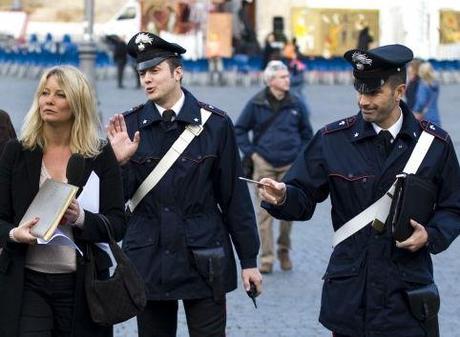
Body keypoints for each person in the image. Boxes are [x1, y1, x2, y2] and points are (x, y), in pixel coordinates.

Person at [258, 44, 460, 337]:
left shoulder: (434, 145)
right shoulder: (332, 139)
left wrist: (431, 234)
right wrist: (283, 196)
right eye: (360, 91)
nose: (362, 101)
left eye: (373, 93)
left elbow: (454, 206)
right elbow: (301, 196)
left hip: (407, 297)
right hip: (352, 297)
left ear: (399, 91)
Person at [106, 32, 262, 337]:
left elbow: (234, 198)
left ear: (178, 72)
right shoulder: (129, 126)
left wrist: (249, 260)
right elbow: (115, 200)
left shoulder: (215, 124)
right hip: (148, 257)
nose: (146, 80)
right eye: (142, 73)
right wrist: (119, 163)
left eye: (154, 71)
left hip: (203, 255)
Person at [0, 65, 126, 337]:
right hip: (27, 283)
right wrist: (14, 233)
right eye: (44, 93)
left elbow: (118, 223)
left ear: (77, 102)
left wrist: (80, 217)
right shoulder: (17, 152)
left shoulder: (100, 154)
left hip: (83, 285)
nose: (48, 100)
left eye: (59, 95)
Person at [235, 60, 313, 274]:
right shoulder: (256, 103)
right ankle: (267, 257)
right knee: (264, 214)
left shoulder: (297, 103)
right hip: (265, 164)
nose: (288, 80)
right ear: (270, 81)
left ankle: (284, 249)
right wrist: (252, 154)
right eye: (282, 77)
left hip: (290, 165)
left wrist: (300, 157)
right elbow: (239, 129)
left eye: (288, 76)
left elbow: (308, 134)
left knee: (288, 211)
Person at [413, 61, 441, 126]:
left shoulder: (423, 85)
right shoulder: (435, 84)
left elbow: (421, 101)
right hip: (435, 115)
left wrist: (415, 111)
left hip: (425, 118)